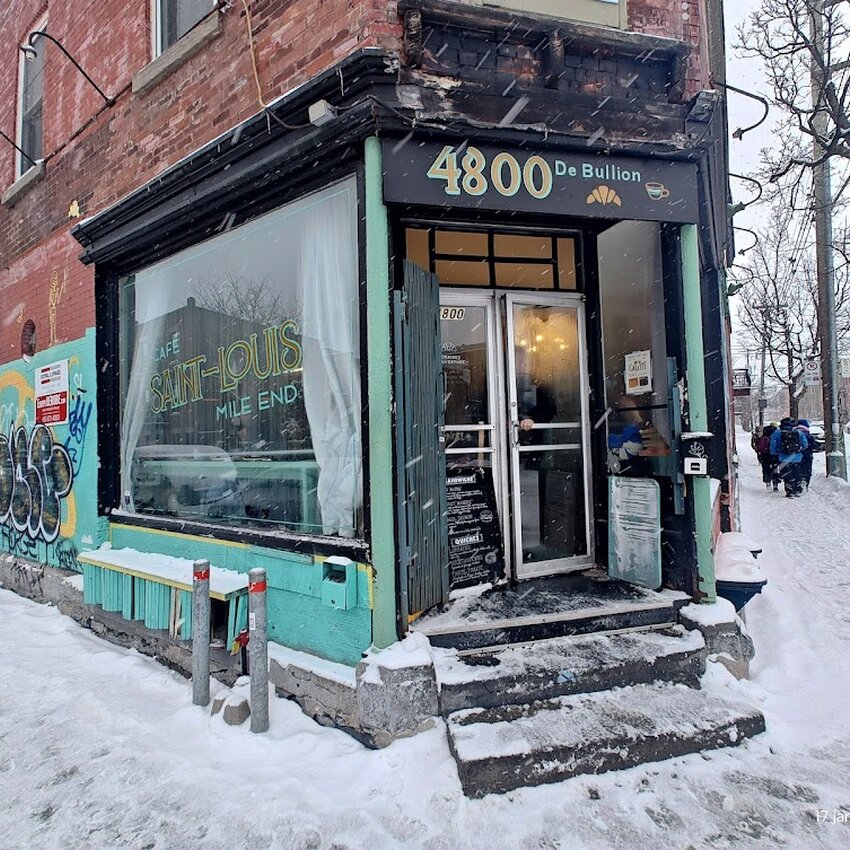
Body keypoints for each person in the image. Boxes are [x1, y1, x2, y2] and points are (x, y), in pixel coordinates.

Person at [769, 417, 808, 498]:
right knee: (797, 473)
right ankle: (797, 490)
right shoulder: (798, 432)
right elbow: (805, 444)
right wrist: (799, 451)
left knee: (787, 474)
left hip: (783, 458)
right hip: (797, 458)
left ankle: (790, 491)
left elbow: (773, 445)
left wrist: (774, 453)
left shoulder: (777, 433)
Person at [756, 423, 778, 490]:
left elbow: (759, 447)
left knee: (766, 468)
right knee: (775, 469)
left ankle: (767, 482)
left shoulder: (764, 435)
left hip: (765, 455)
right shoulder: (776, 434)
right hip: (774, 455)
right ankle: (775, 484)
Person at [795, 418, 815, 490]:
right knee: (807, 470)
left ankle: (798, 484)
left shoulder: (794, 433)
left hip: (796, 456)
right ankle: (805, 483)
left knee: (797, 470)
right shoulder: (808, 435)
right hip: (807, 455)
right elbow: (813, 446)